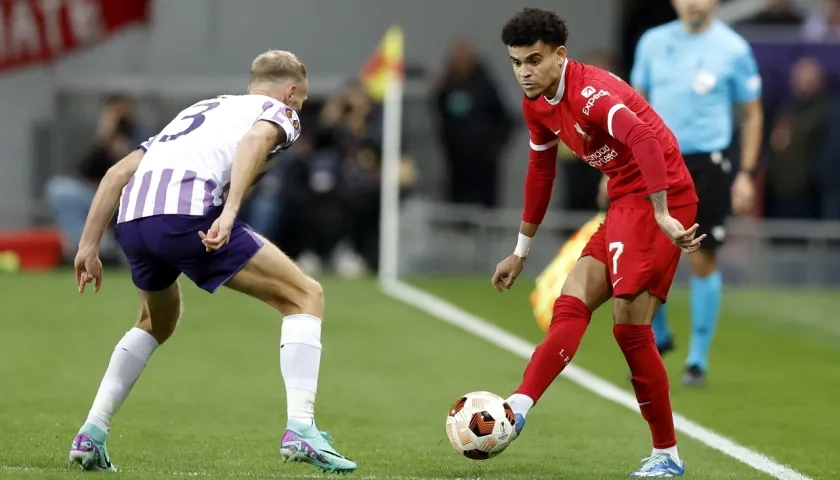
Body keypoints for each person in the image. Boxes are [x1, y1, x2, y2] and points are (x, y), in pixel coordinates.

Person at [67, 50, 356, 474]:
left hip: (133, 221)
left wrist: (87, 247)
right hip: (188, 216)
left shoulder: (201, 110)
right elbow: (255, 142)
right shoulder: (280, 113)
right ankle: (301, 428)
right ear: (291, 91)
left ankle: (91, 433)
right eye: (303, 100)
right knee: (304, 295)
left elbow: (116, 174)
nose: (301, 108)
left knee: (156, 321)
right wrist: (229, 212)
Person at [493, 8, 703, 477]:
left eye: (534, 60)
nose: (524, 73)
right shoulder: (536, 103)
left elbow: (645, 139)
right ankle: (517, 409)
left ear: (559, 55)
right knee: (572, 299)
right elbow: (541, 171)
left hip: (659, 198)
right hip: (624, 202)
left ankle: (666, 455)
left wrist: (663, 212)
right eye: (515, 62)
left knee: (629, 326)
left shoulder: (591, 93)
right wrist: (521, 251)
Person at [630, 0, 763, 386]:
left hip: (707, 162)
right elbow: (633, 108)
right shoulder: (652, 42)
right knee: (645, 254)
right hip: (656, 159)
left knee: (702, 257)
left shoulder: (733, 48)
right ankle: (661, 333)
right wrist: (618, 165)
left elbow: (752, 113)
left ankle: (697, 360)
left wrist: (746, 173)